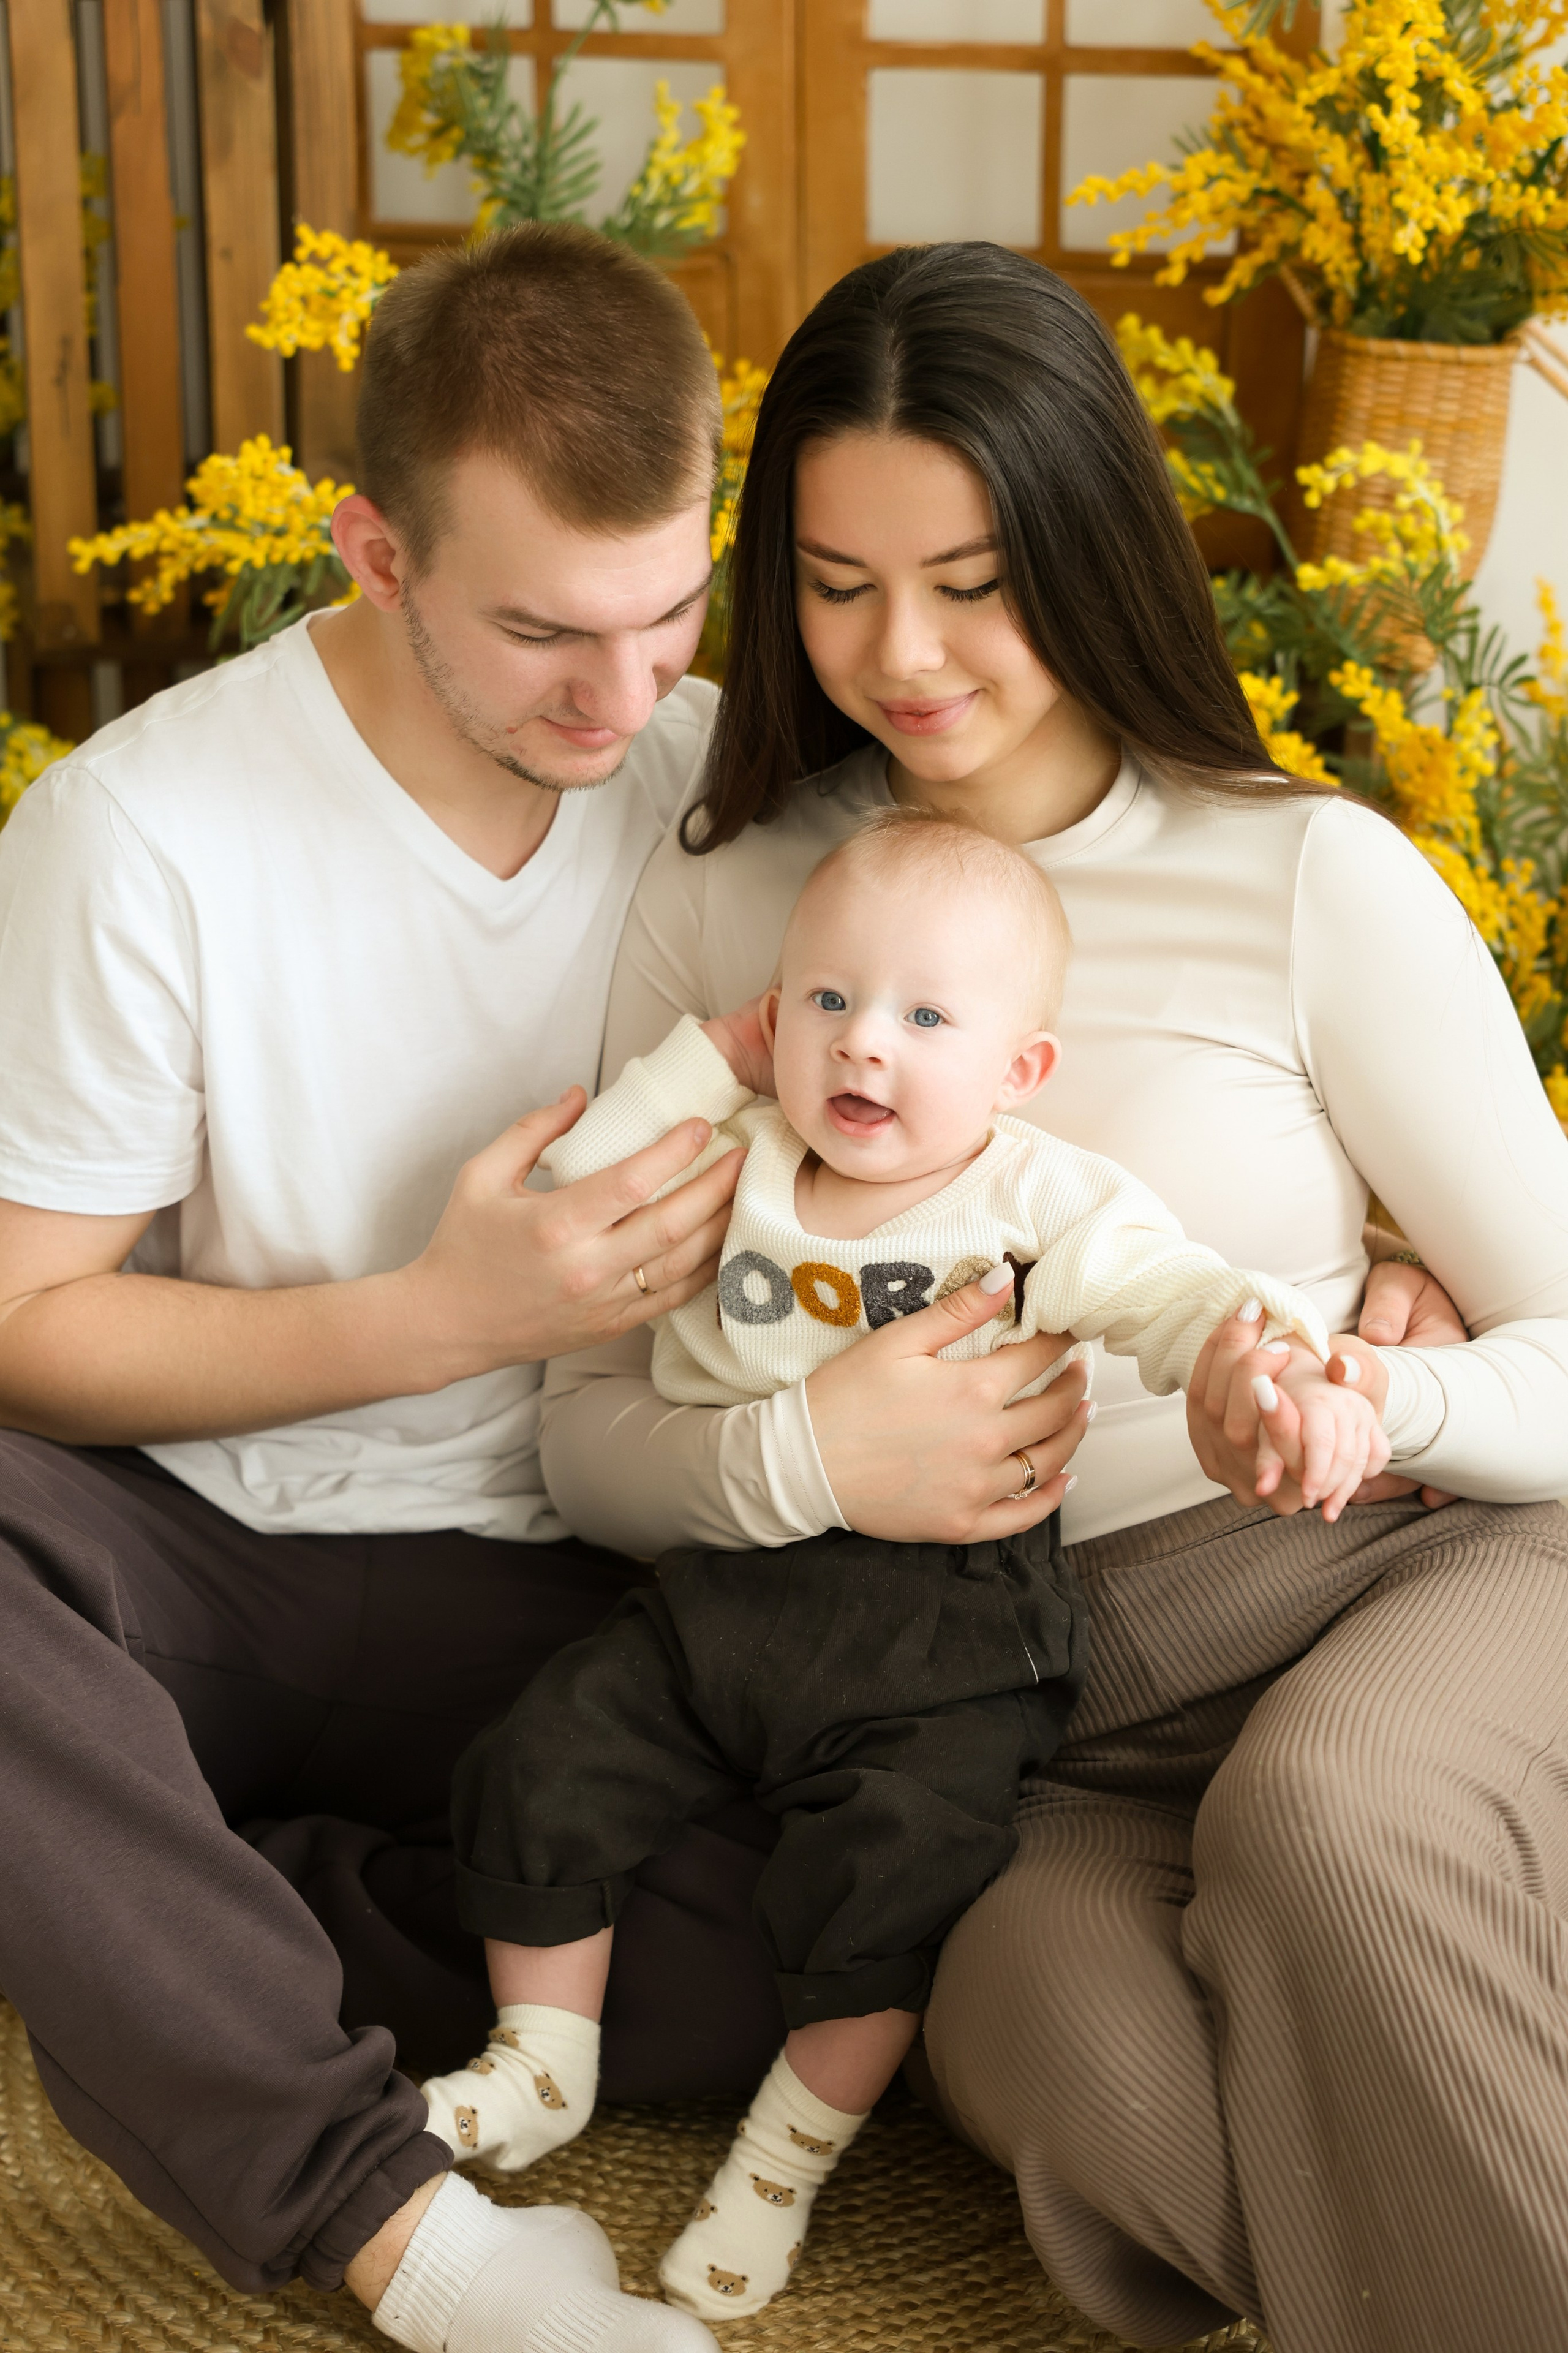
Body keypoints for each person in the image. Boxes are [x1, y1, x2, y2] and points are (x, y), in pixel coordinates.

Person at [536, 241, 1568, 2353]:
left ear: (1091, 545)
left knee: (1329, 1830)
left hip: (1386, 1573)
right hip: (1021, 1721)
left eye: (973, 577)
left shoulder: (1306, 877)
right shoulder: (743, 908)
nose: (900, 653)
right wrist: (808, 1451)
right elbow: (584, 1430)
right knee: (1080, 2087)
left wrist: (1380, 1407)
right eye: (835, 582)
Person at [0, 222, 774, 2353]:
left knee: (853, 1894)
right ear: (376, 553)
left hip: (562, 1596)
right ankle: (404, 2236)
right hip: (196, 1547)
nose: (623, 703)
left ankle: (150, 1905)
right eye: (543, 634)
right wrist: (449, 1312)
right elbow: (20, 1331)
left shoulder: (725, 784)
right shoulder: (136, 837)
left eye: (670, 610)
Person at [415, 805, 1385, 2324]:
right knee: (544, 1753)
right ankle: (541, 2060)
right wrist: (703, 1062)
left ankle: (784, 2161)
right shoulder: (737, 1152)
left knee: (892, 1877)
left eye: (924, 1017)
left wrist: (1279, 1371)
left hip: (946, 1628)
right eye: (826, 1001)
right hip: (727, 1582)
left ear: (1018, 1071)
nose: (862, 1046)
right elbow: (570, 1199)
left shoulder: (1027, 1197)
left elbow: (1174, 1291)